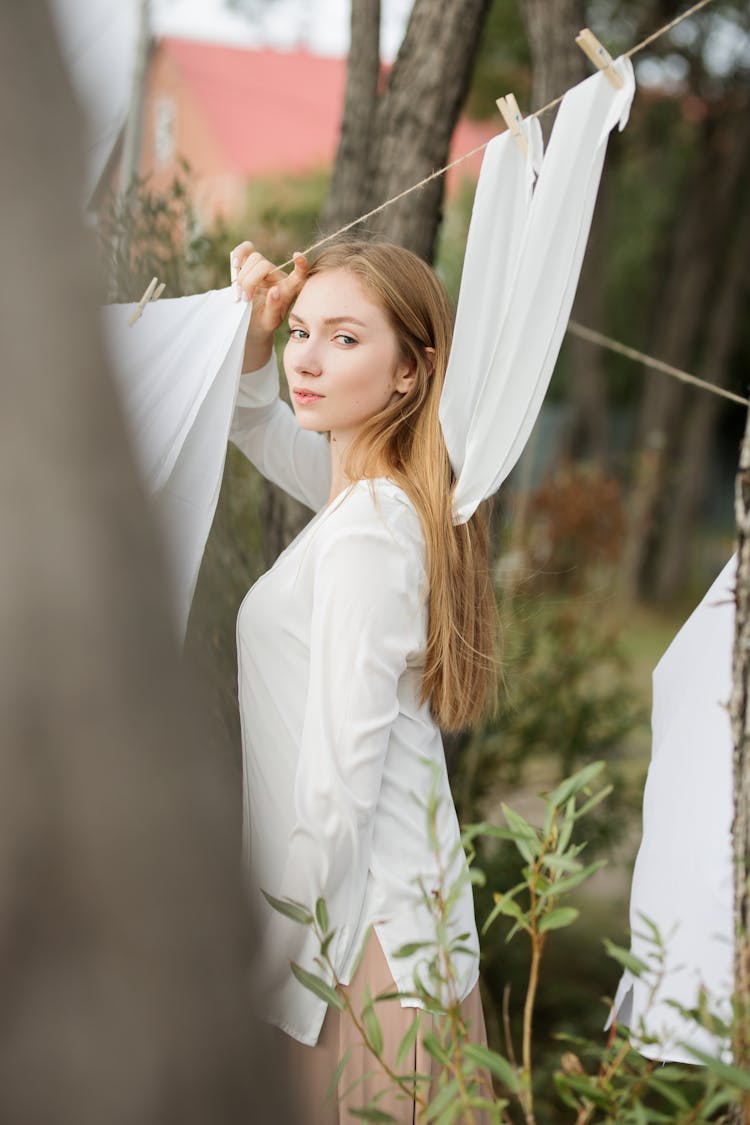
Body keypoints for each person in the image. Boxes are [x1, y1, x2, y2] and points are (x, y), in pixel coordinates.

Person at [228, 238, 498, 1123]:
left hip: (359, 946)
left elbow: (337, 794)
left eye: (345, 339)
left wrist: (257, 962)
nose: (307, 359)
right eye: (303, 331)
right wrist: (255, 338)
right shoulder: (372, 492)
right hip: (367, 930)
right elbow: (261, 421)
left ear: (411, 373)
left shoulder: (373, 530)